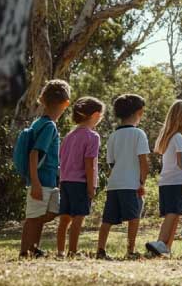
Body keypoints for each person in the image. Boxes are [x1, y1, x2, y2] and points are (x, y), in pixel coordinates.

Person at [19, 79, 71, 259]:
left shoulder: (39, 122)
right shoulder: (48, 126)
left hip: (47, 180)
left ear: (42, 99)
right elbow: (34, 154)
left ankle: (33, 247)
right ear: (66, 103)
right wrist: (35, 183)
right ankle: (25, 251)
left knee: (47, 213)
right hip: (40, 180)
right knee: (34, 217)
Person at [96, 94, 150, 260]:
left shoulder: (113, 136)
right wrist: (142, 182)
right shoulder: (139, 134)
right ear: (139, 112)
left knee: (108, 219)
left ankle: (100, 250)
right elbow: (143, 162)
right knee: (134, 218)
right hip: (131, 184)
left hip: (114, 184)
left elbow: (111, 163)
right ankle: (130, 250)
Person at [56, 96, 104, 258]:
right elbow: (89, 164)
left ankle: (61, 251)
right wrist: (91, 187)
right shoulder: (92, 136)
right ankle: (73, 251)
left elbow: (62, 159)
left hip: (65, 181)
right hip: (81, 182)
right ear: (96, 115)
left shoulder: (69, 135)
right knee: (78, 217)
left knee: (65, 218)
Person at [146, 100, 182, 257]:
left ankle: (167, 248)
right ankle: (160, 242)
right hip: (176, 181)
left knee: (174, 213)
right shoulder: (178, 137)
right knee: (173, 213)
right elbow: (181, 163)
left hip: (165, 180)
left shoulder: (168, 137)